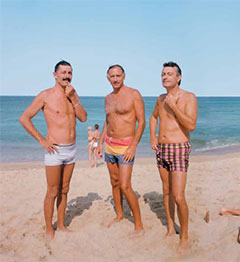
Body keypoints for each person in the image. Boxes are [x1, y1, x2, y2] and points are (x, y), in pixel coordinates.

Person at [19, 60, 87, 240]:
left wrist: (73, 98)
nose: (67, 75)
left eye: (70, 72)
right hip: (55, 151)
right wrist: (42, 140)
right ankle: (49, 228)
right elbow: (24, 118)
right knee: (52, 190)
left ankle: (62, 225)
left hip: (71, 149)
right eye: (63, 72)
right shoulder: (45, 95)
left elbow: (83, 118)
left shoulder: (73, 93)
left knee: (64, 189)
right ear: (55, 75)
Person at [149, 62, 197, 250]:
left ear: (179, 77)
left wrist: (173, 106)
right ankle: (170, 227)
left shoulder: (189, 97)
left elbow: (191, 125)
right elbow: (153, 117)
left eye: (169, 74)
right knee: (166, 191)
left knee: (178, 195)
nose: (165, 77)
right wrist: (152, 136)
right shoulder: (160, 99)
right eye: (163, 74)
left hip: (179, 148)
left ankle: (184, 235)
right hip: (162, 148)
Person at [96, 64, 145, 235]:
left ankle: (139, 224)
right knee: (114, 183)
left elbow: (142, 122)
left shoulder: (133, 94)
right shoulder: (108, 98)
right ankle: (119, 214)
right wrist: (100, 143)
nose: (115, 79)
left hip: (126, 146)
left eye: (118, 75)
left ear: (124, 76)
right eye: (112, 76)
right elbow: (107, 121)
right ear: (107, 78)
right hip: (109, 145)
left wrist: (133, 146)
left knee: (125, 186)